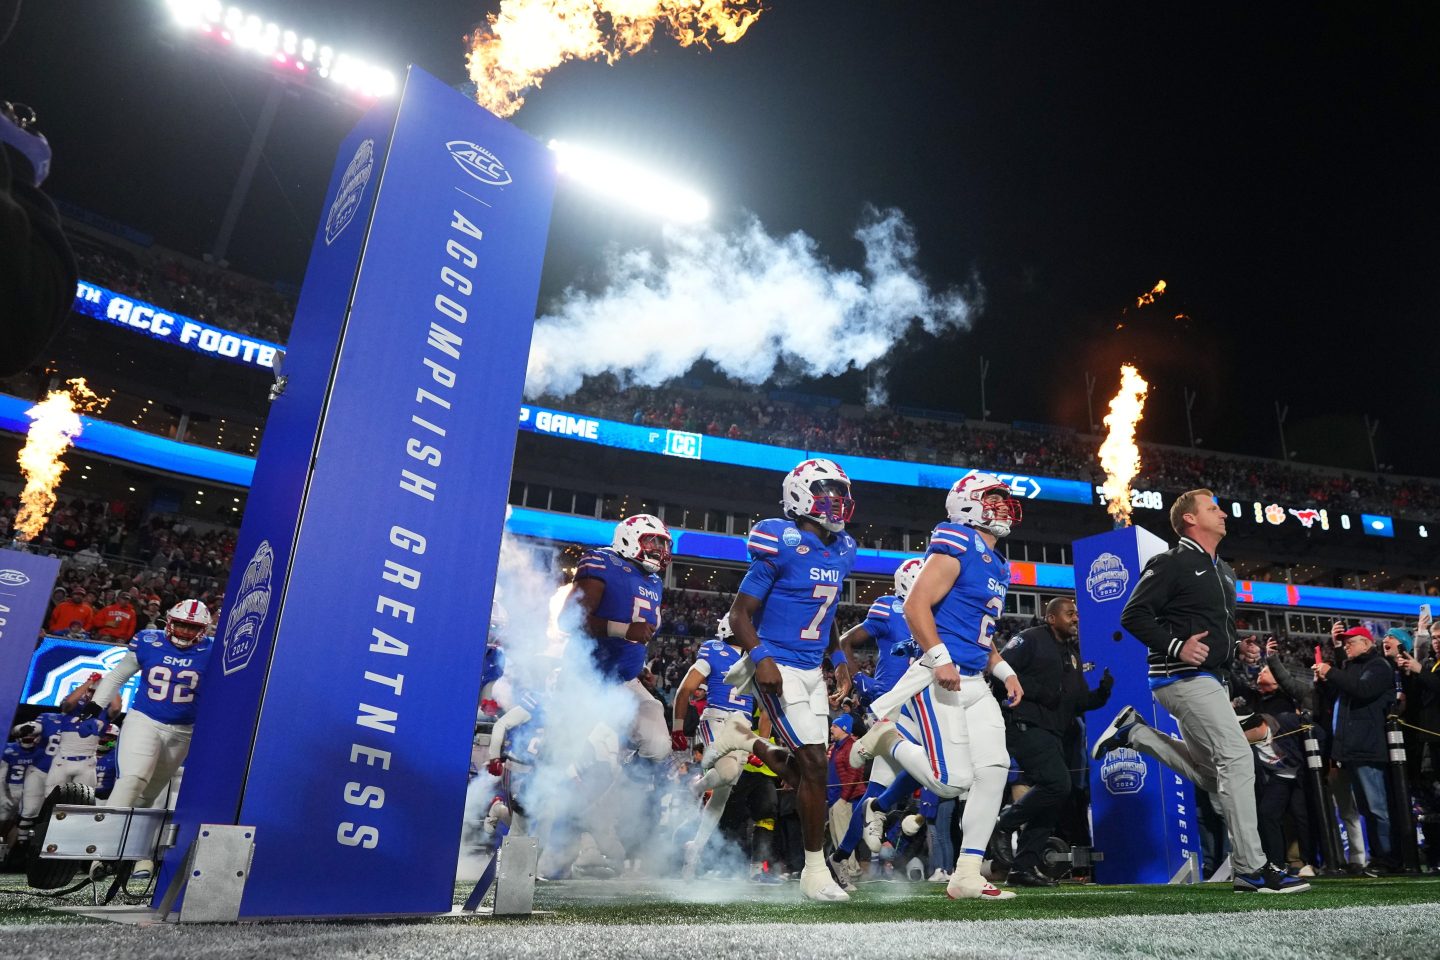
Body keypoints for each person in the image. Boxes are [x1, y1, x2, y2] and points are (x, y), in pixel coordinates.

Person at [1091, 488, 1309, 893]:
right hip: (1180, 678)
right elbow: (1133, 614)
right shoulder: (1171, 562)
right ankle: (1250, 868)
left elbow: (1209, 622)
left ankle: (1135, 733)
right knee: (1239, 759)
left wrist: (1235, 645)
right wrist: (1177, 645)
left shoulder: (1223, 569)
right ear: (1190, 519)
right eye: (1213, 508)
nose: (1222, 512)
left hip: (1209, 680)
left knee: (1213, 776)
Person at [850, 470, 1026, 901]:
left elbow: (977, 634)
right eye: (993, 498)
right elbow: (915, 606)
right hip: (936, 676)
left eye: (1005, 499)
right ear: (966, 504)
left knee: (993, 772)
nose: (1002, 505)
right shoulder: (958, 541)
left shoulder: (999, 563)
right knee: (950, 783)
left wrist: (1005, 671)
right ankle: (887, 737)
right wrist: (940, 657)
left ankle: (966, 873)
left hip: (974, 682)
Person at [706, 458, 858, 902]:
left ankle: (748, 741)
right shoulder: (781, 539)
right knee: (812, 765)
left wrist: (838, 658)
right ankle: (815, 870)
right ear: (800, 495)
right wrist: (761, 657)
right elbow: (739, 614)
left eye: (840, 491)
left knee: (810, 772)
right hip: (777, 665)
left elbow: (825, 612)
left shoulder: (843, 547)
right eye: (826, 490)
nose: (837, 500)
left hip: (812, 668)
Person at [992, 597, 1113, 887]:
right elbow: (999, 677)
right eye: (1070, 613)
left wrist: (1102, 694)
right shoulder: (1029, 640)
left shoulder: (1072, 654)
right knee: (1059, 784)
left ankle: (1023, 868)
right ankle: (1004, 823)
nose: (1075, 618)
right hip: (1025, 725)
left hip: (1054, 732)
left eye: (1076, 614)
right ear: (1051, 618)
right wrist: (1041, 692)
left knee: (1053, 799)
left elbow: (1076, 701)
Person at [831, 557, 925, 872]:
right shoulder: (890, 608)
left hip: (922, 705)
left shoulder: (934, 612)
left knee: (880, 791)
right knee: (927, 766)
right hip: (896, 708)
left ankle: (841, 856)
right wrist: (858, 679)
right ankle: (880, 831)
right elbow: (845, 641)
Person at [87, 600, 214, 810]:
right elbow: (118, 676)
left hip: (184, 730)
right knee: (132, 779)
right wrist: (95, 706)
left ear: (204, 629)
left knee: (148, 796)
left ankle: (128, 841)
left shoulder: (214, 650)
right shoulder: (148, 640)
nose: (184, 631)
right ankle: (103, 833)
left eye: (192, 627)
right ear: (169, 622)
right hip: (144, 719)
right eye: (181, 624)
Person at [567, 514, 673, 763]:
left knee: (657, 746)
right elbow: (570, 619)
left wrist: (640, 666)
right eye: (654, 542)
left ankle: (624, 790)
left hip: (624, 682)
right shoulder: (602, 562)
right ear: (629, 538)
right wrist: (623, 629)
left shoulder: (655, 581)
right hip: (586, 678)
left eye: (664, 544)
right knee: (568, 756)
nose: (661, 550)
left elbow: (638, 634)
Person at [669, 616, 756, 877]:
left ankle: (695, 849)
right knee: (727, 775)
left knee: (724, 792)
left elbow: (767, 701)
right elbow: (685, 689)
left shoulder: (755, 656)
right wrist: (677, 728)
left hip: (743, 726)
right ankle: (696, 786)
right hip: (718, 718)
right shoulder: (713, 649)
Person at [1314, 624, 1397, 870]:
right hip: (1354, 750)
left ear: (1366, 643)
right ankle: (1379, 858)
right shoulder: (1353, 668)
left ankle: (1389, 857)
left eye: (1351, 642)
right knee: (1367, 809)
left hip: (1369, 748)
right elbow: (1341, 697)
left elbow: (1363, 690)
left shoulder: (1378, 666)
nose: (1346, 646)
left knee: (1377, 807)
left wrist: (1332, 673)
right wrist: (1325, 680)